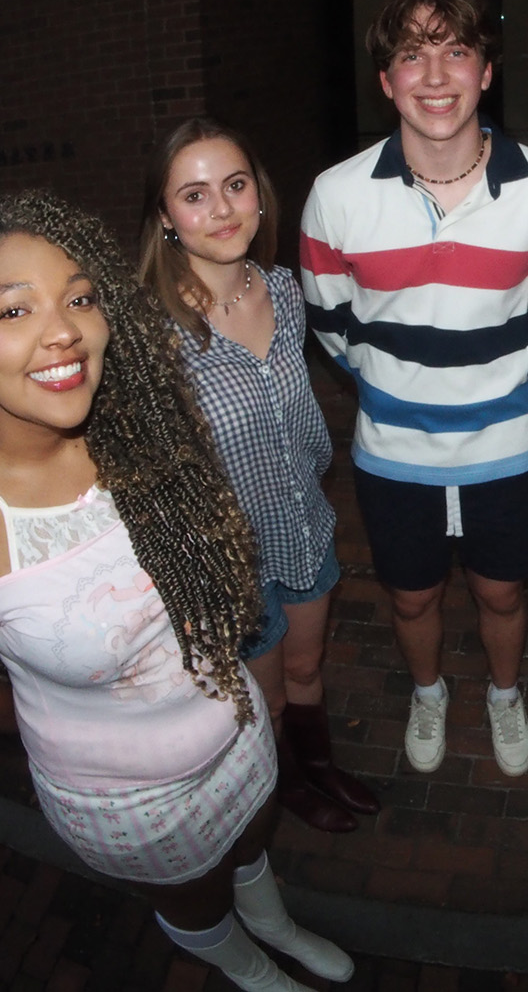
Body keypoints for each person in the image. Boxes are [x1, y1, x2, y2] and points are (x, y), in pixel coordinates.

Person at [0, 191, 353, 992]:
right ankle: (243, 964)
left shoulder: (131, 423)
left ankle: (273, 920)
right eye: (12, 310)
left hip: (238, 730)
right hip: (133, 806)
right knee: (200, 896)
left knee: (250, 849)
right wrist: (77, 737)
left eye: (79, 296)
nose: (62, 328)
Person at [299, 0, 528, 779]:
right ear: (386, 81)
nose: (434, 75)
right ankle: (429, 694)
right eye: (411, 54)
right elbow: (333, 327)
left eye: (455, 50)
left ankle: (502, 694)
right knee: (411, 598)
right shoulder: (336, 195)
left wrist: (478, 382)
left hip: (505, 443)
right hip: (392, 451)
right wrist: (405, 385)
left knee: (502, 594)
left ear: (486, 72)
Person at [141, 118, 378, 834]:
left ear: (260, 194)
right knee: (267, 700)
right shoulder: (152, 332)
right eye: (195, 194)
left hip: (302, 525)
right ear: (165, 217)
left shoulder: (286, 290)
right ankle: (281, 789)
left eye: (235, 185)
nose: (222, 209)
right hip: (230, 560)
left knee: (308, 673)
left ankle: (319, 765)